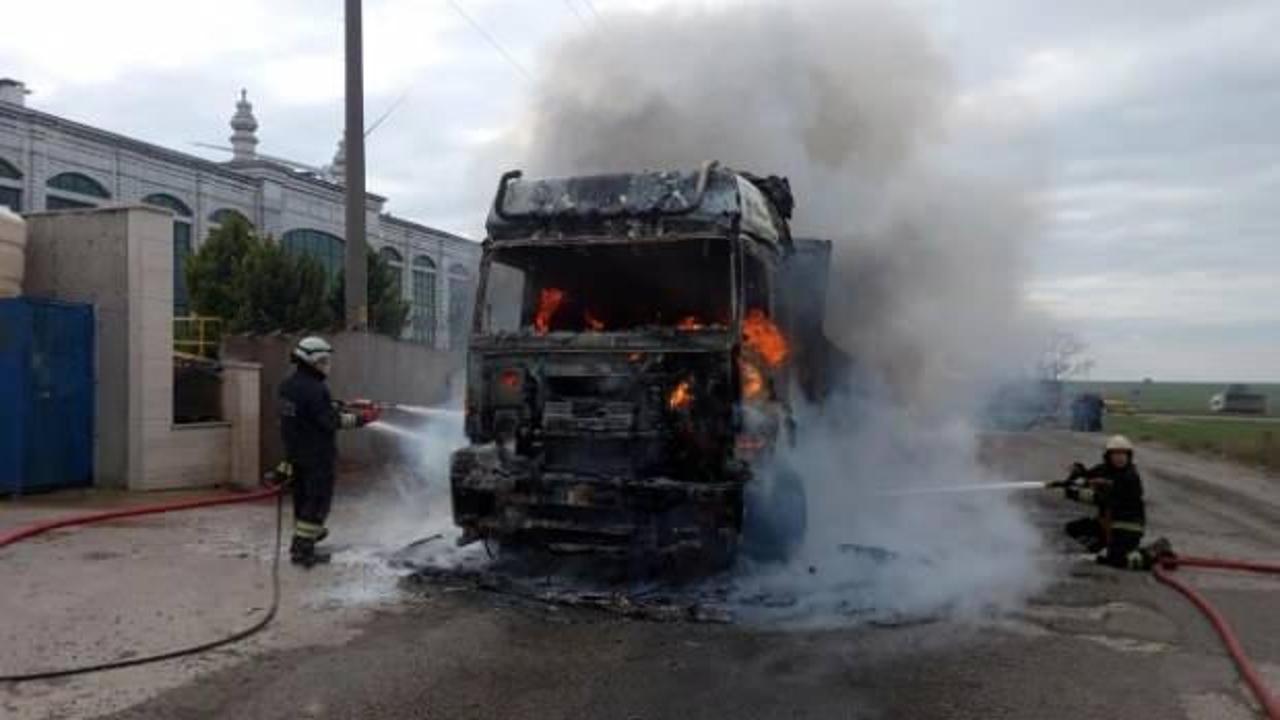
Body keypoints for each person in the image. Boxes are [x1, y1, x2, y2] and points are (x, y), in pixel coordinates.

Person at [278, 336, 380, 568]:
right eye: (323, 360)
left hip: (295, 453)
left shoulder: (288, 385)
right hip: (317, 456)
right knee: (317, 501)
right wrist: (362, 418)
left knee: (302, 499)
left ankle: (304, 539)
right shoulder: (316, 388)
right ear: (311, 360)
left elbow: (309, 412)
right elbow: (329, 421)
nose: (327, 364)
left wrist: (340, 404)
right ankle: (303, 551)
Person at [1057, 435, 1171, 569]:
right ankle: (1105, 549)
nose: (1120, 457)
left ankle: (1153, 553)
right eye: (1116, 453)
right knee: (1073, 529)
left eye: (1124, 453)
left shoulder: (1130, 477)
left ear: (1129, 456)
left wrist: (1076, 493)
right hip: (1107, 522)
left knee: (1115, 560)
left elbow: (1103, 499)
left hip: (1128, 526)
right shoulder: (1103, 469)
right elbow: (1086, 477)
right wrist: (1078, 472)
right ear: (1108, 456)